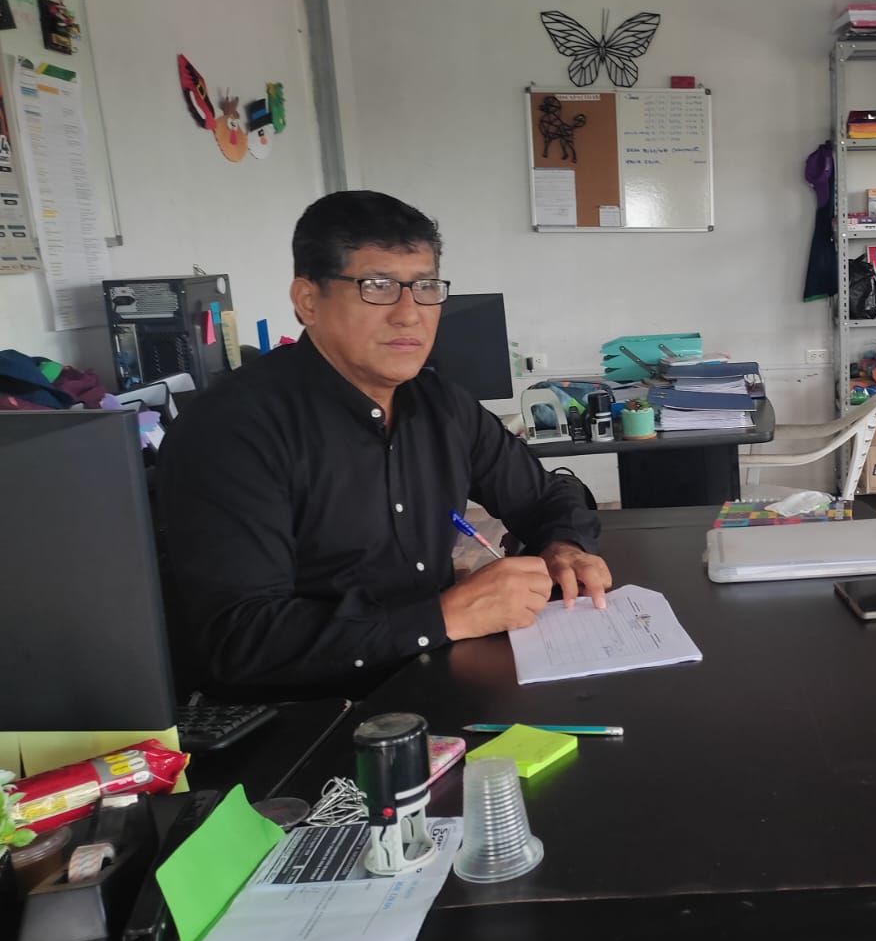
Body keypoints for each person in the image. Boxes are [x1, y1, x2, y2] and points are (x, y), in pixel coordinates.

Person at [158, 190, 610, 698]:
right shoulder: (232, 430)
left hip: (437, 687)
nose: (409, 314)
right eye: (377, 286)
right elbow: (242, 639)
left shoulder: (441, 405)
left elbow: (546, 497)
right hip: (309, 718)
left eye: (425, 287)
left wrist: (565, 547)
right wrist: (443, 616)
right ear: (308, 301)